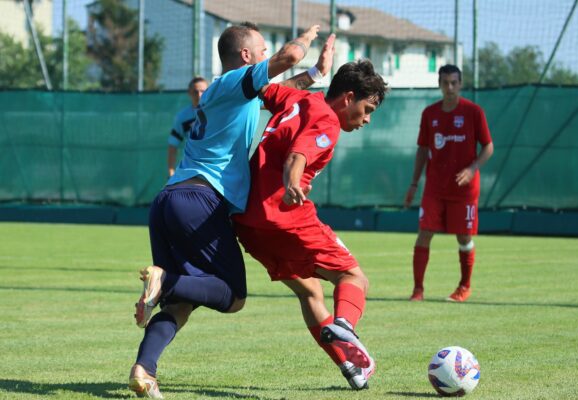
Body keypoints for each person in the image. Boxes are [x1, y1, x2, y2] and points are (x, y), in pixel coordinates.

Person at [128, 22, 335, 398]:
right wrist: (307, 37)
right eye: (260, 49)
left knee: (181, 306)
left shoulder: (236, 94)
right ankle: (164, 279)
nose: (265, 55)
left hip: (168, 202)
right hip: (199, 202)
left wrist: (319, 73)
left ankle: (143, 370)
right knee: (233, 296)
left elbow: (285, 89)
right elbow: (288, 57)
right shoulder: (230, 83)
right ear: (245, 56)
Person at [233, 60, 387, 390]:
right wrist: (291, 183)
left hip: (248, 223)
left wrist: (314, 72)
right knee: (354, 277)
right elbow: (296, 157)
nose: (367, 119)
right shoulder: (328, 120)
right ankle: (345, 325)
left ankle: (350, 364)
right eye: (368, 108)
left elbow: (263, 90)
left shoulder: (299, 99)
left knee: (311, 291)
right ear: (348, 98)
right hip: (286, 216)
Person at [404, 64, 494, 303]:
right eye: (445, 83)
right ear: (439, 85)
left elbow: (488, 147)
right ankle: (418, 290)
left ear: (460, 84)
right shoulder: (430, 114)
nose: (450, 88)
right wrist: (414, 184)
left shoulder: (474, 112)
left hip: (464, 189)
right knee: (424, 234)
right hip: (435, 187)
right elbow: (422, 150)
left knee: (463, 238)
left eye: (454, 83)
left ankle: (464, 286)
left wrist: (472, 169)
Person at [167, 76, 208, 177]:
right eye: (195, 92)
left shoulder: (218, 112)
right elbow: (172, 145)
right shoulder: (182, 117)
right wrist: (171, 171)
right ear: (189, 93)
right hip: (191, 169)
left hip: (215, 168)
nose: (199, 95)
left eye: (203, 91)